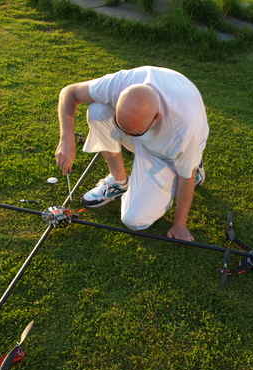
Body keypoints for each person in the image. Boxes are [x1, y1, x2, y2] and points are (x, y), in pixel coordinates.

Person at [56, 66, 208, 242]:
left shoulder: (185, 131)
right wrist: (67, 139)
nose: (125, 136)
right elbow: (69, 92)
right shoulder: (120, 83)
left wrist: (179, 225)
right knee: (97, 110)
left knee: (134, 220)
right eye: (122, 128)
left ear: (157, 117)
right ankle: (118, 181)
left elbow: (186, 178)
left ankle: (193, 165)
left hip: (167, 155)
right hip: (147, 136)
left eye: (133, 132)